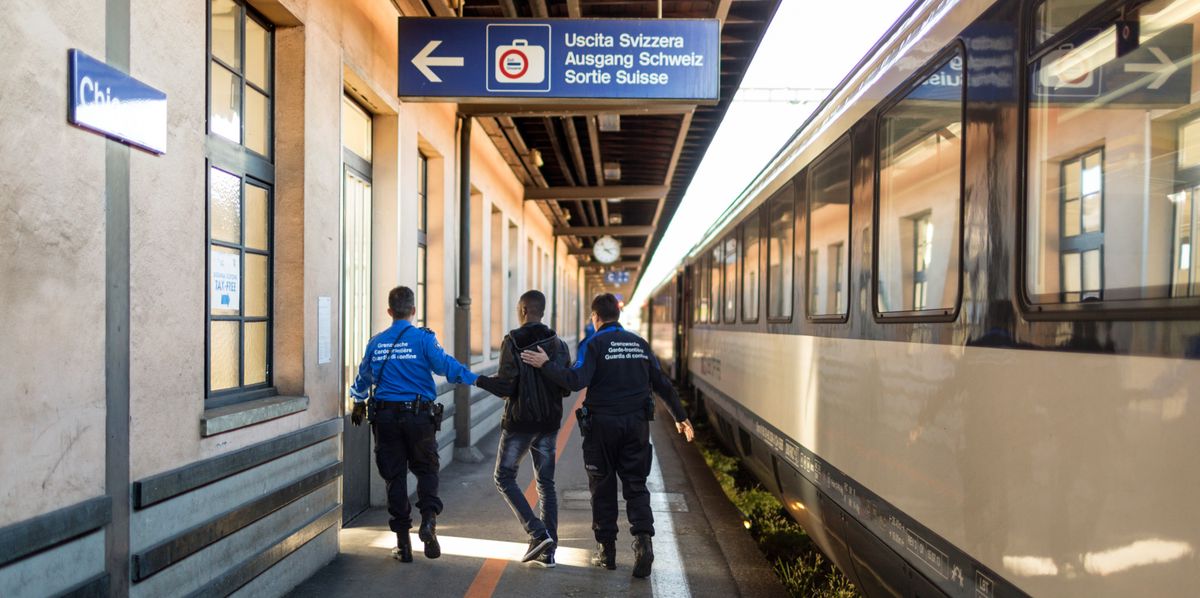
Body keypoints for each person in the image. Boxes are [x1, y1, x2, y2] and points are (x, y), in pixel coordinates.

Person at [521, 293, 695, 579]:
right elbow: (662, 384)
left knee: (602, 488)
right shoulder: (640, 344)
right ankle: (643, 543)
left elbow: (575, 380)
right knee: (636, 486)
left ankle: (607, 553)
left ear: (595, 317)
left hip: (601, 427)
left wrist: (545, 364)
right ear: (618, 315)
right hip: (636, 426)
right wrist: (681, 417)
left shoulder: (595, 344)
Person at [349, 286, 478, 563]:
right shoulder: (423, 339)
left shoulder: (376, 342)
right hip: (419, 417)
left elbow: (363, 378)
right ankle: (429, 520)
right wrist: (476, 379)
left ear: (389, 311)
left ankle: (402, 544)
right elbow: (446, 366)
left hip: (385, 419)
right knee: (426, 469)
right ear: (413, 311)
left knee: (394, 477)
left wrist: (357, 400)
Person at [474, 290, 571, 568]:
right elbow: (565, 387)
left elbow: (507, 387)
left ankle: (537, 532)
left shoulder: (513, 341)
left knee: (504, 476)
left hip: (520, 424)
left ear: (524, 309)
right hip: (550, 424)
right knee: (546, 484)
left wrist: (480, 380)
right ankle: (548, 550)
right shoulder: (559, 344)